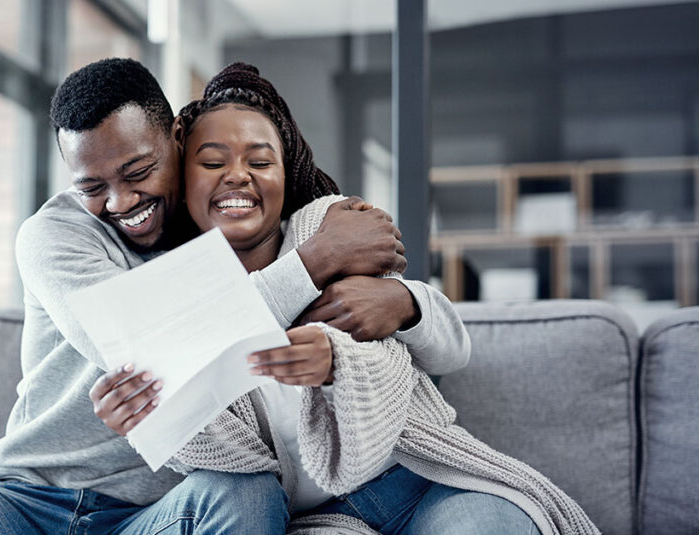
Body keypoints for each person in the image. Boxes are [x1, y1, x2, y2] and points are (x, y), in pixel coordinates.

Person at [0, 58, 467, 534]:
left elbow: (420, 345)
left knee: (246, 493)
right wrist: (317, 262)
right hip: (26, 504)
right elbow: (147, 345)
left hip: (155, 516)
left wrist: (403, 301)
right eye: (92, 187)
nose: (121, 202)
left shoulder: (231, 230)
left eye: (138, 172)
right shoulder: (55, 235)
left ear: (176, 138)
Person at [92, 62, 599, 535]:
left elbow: (443, 350)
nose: (238, 174)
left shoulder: (329, 229)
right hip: (322, 515)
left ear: (285, 173)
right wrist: (149, 419)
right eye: (212, 161)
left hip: (423, 477)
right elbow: (223, 460)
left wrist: (402, 305)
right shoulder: (174, 301)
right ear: (184, 180)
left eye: (261, 160)